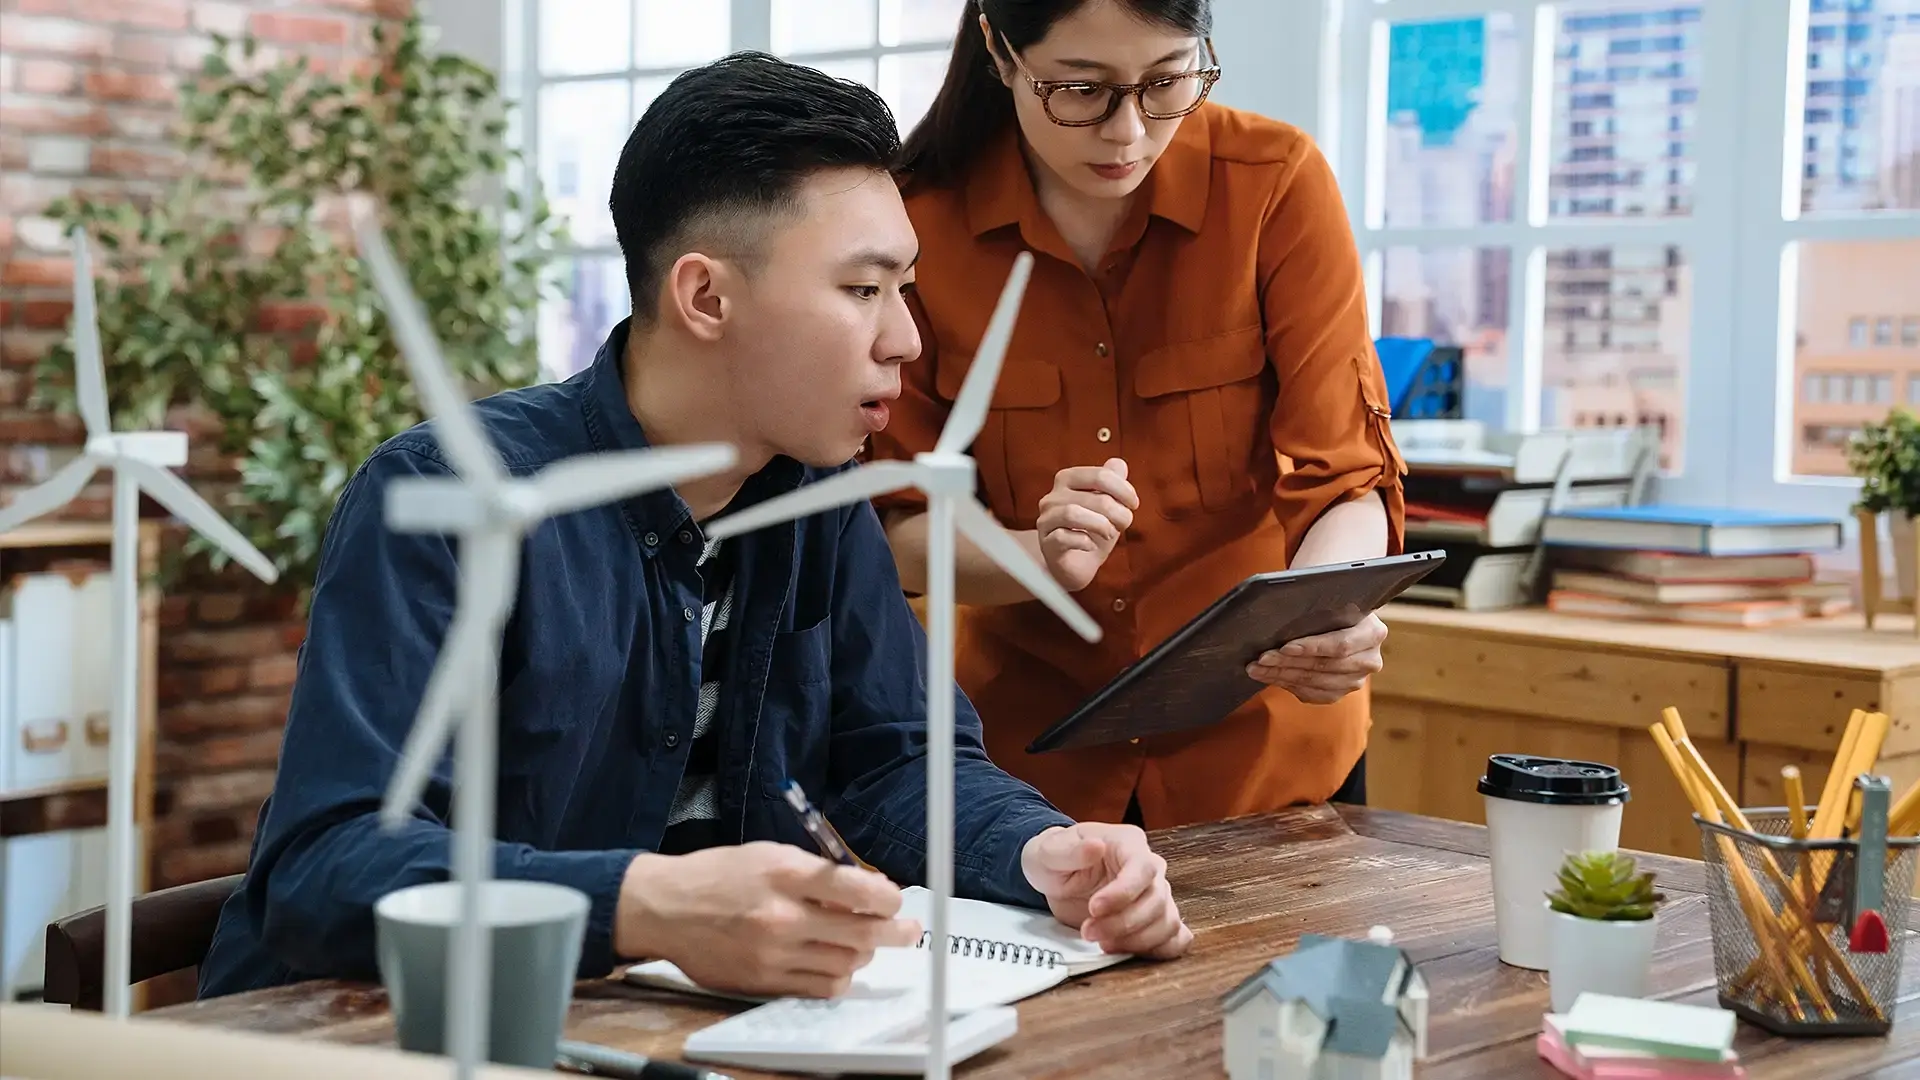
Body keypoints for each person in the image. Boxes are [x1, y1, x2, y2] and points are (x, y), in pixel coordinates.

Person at [197, 52, 1191, 1003]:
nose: (906, 339)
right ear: (706, 295)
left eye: (904, 287)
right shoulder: (449, 497)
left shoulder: (823, 498)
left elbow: (894, 761)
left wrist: (1038, 851)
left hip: (680, 1031)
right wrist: (647, 904)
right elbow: (328, 863)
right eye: (862, 290)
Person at [865, 0, 1408, 830]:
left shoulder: (1274, 182)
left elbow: (1345, 478)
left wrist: (1328, 615)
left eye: (1166, 82)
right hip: (1032, 774)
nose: (1128, 133)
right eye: (1081, 91)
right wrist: (1037, 556)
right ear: (1000, 51)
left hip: (1270, 758)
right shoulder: (918, 221)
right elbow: (899, 523)